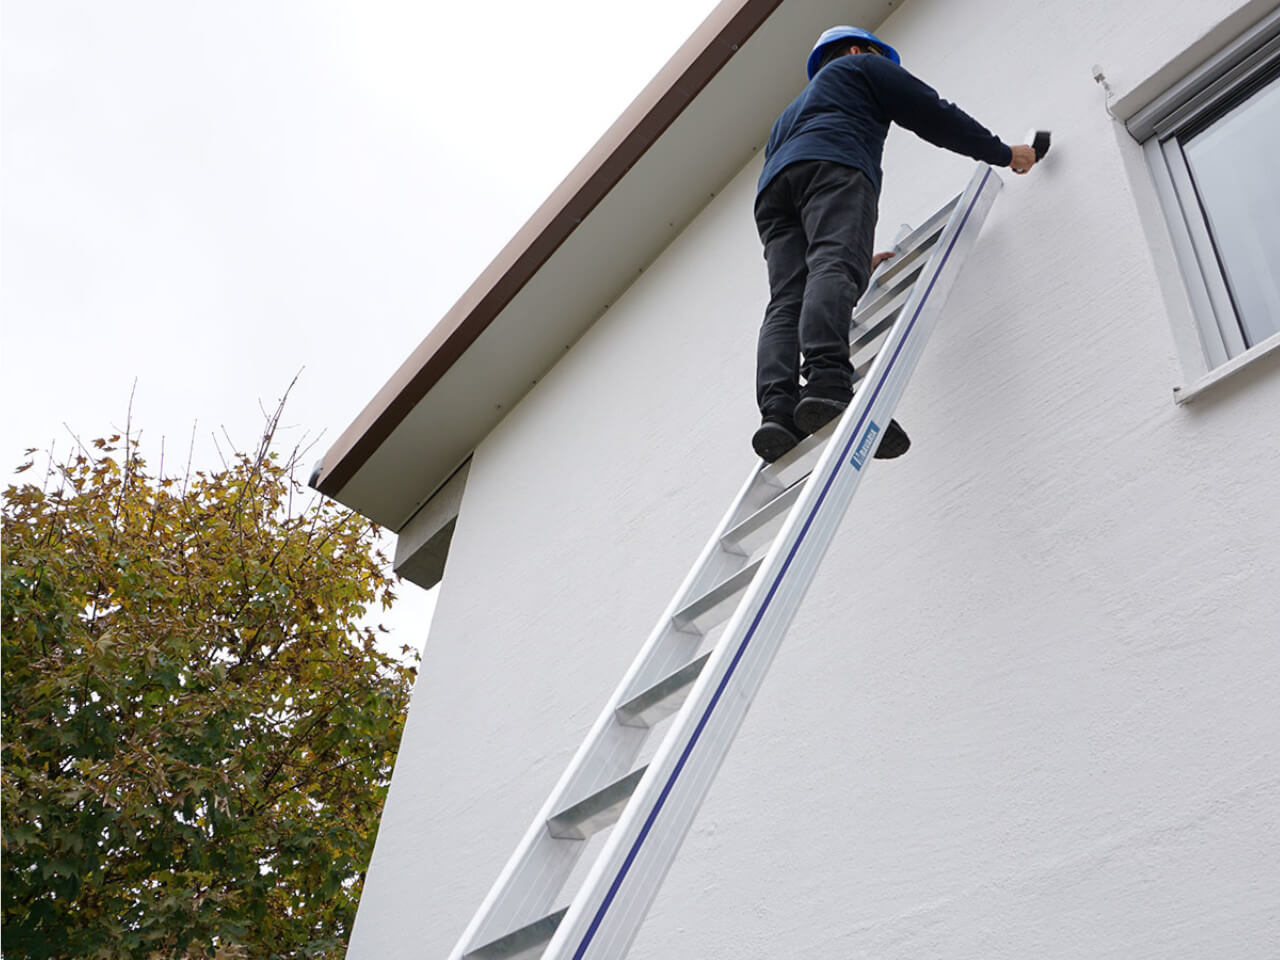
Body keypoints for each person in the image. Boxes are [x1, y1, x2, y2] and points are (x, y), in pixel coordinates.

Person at [751, 26, 1038, 463]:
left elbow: (800, 187)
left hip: (773, 195)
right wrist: (1003, 153)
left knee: (786, 298)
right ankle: (828, 384)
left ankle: (777, 411)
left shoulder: (787, 117)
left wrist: (850, 258)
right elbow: (933, 114)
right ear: (854, 49)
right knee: (832, 265)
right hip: (837, 163)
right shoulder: (862, 66)